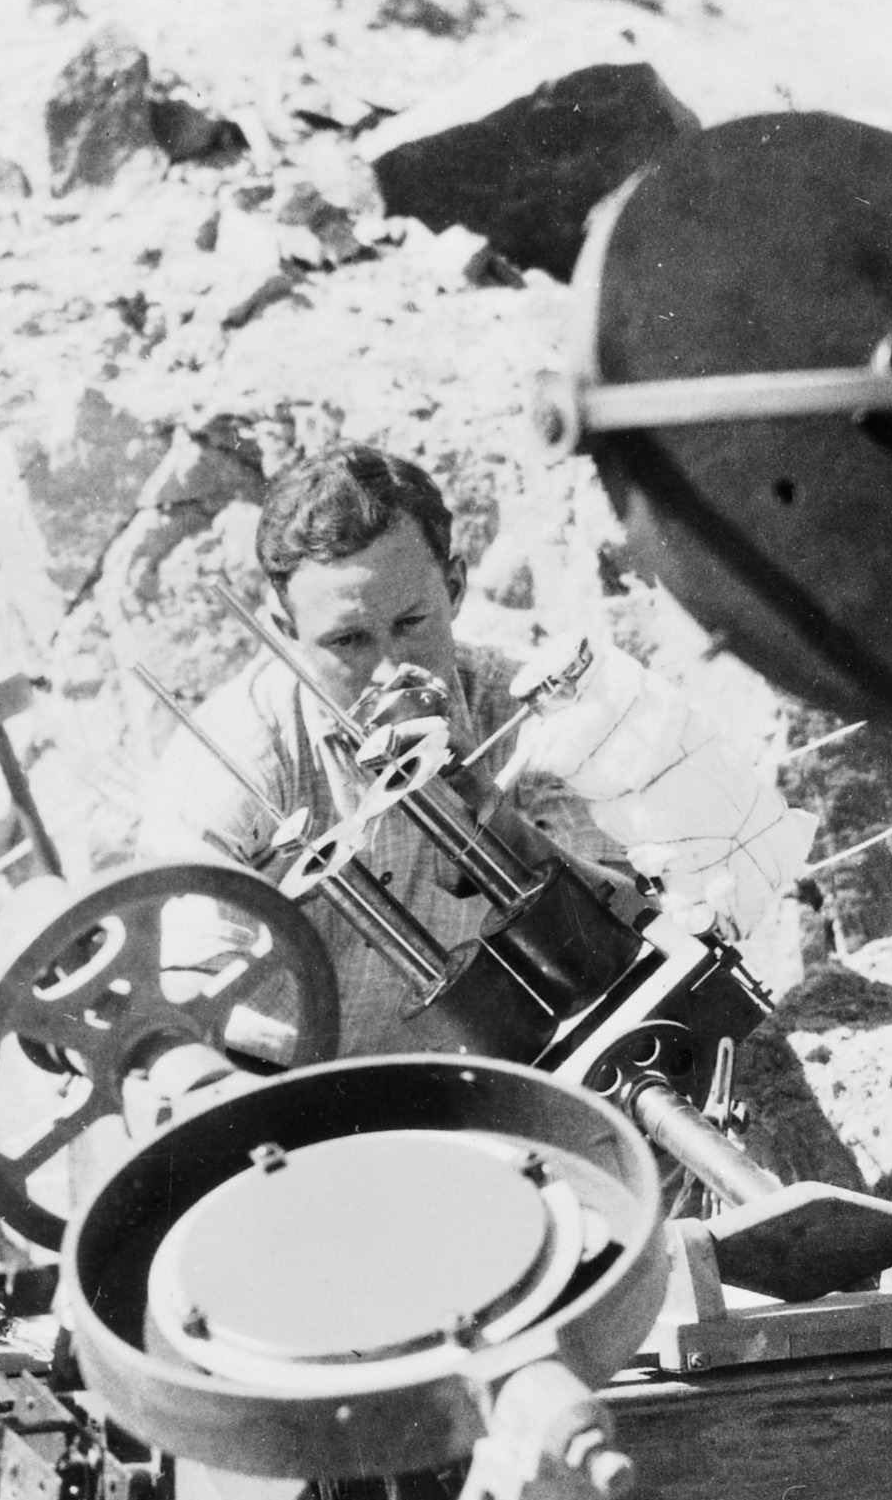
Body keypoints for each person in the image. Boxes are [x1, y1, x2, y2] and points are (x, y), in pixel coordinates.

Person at [140, 444, 625, 1053]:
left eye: (411, 623)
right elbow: (181, 995)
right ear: (286, 635)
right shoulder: (237, 754)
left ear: (454, 587)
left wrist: (487, 810)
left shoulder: (527, 711)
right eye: (348, 641)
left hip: (484, 1072)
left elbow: (628, 916)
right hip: (282, 1080)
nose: (390, 670)